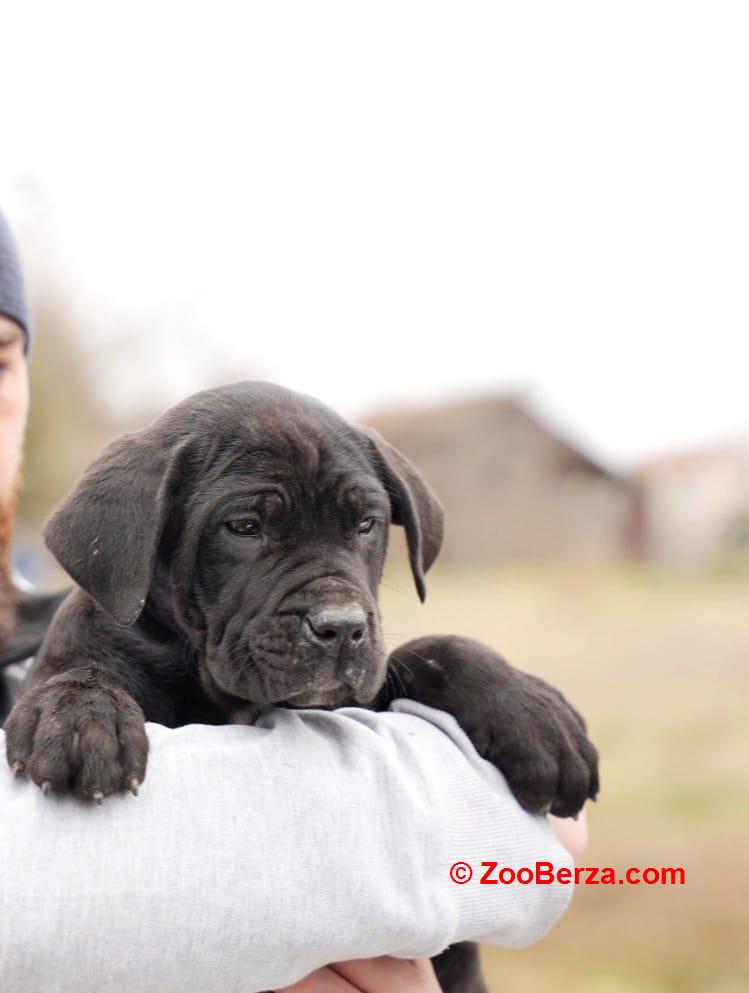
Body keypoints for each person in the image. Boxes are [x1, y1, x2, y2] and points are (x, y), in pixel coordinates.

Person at [0, 208, 587, 993]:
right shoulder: (93, 654)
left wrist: (455, 672)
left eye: (361, 527)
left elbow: (543, 847)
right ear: (142, 533)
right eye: (247, 526)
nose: (339, 607)